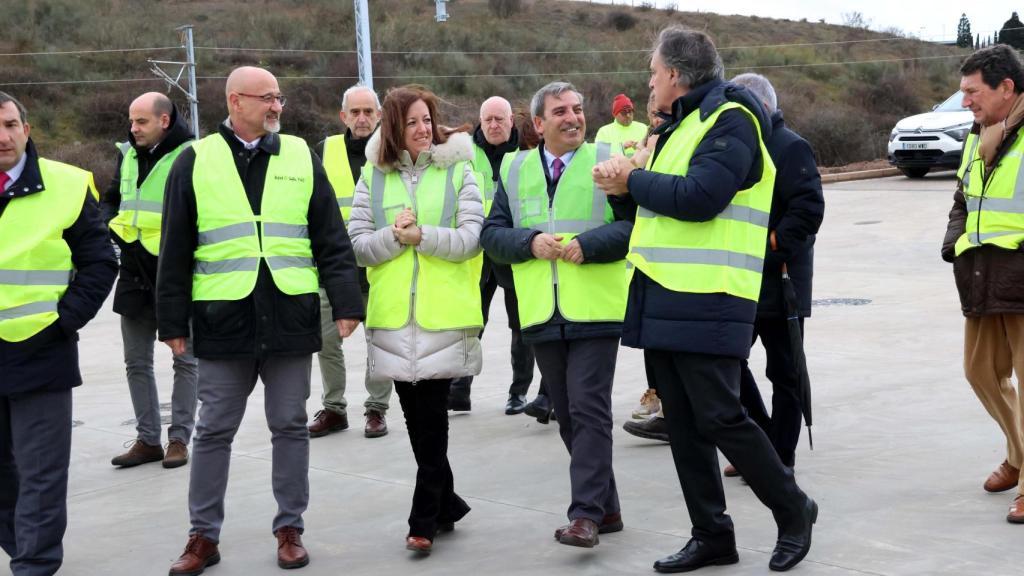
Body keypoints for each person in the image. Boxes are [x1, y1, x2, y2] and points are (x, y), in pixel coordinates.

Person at [594, 26, 817, 572]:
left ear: (675, 73)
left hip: (711, 295)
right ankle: (712, 535)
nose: (649, 82)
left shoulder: (731, 119)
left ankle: (794, 509)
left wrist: (634, 180)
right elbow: (653, 213)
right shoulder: (678, 126)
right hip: (664, 294)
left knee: (721, 417)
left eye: (653, 72)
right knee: (685, 425)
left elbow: (701, 198)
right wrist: (621, 189)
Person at [158, 66, 364, 573]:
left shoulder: (299, 154)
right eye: (266, 98)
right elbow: (175, 246)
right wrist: (172, 322)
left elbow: (330, 237)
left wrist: (346, 303)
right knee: (214, 430)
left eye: (279, 98)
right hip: (223, 318)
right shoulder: (194, 160)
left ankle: (290, 528)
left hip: (290, 315)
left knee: (290, 425)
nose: (276, 106)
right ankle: (203, 536)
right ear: (235, 101)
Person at [482, 81, 631, 549]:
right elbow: (492, 235)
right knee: (567, 415)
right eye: (561, 111)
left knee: (588, 409)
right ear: (539, 123)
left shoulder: (607, 161)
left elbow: (634, 227)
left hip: (595, 309)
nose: (573, 117)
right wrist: (528, 242)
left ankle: (584, 515)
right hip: (541, 314)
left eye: (578, 109)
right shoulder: (515, 167)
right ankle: (607, 508)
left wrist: (589, 244)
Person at [348, 85, 482, 555]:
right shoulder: (373, 175)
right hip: (392, 316)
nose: (423, 129)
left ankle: (423, 519)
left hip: (443, 314)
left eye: (427, 119)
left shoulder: (459, 168)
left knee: (432, 421)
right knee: (417, 422)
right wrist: (393, 235)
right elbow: (358, 245)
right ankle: (447, 504)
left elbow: (471, 239)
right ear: (393, 128)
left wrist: (421, 236)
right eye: (412, 123)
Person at [0, 91, 117, 576]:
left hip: (41, 351)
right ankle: (23, 546)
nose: (3, 137)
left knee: (41, 472)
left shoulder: (66, 185)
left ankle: (35, 563)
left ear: (26, 129)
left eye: (10, 125)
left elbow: (100, 262)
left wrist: (63, 322)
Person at [722, 73, 825, 476]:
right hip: (739, 280)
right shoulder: (734, 145)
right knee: (726, 364)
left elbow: (808, 210)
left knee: (785, 373)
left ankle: (780, 458)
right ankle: (761, 445)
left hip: (782, 282)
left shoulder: (791, 146)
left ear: (762, 107)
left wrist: (771, 246)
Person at [942, 44, 1024, 523]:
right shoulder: (979, 134)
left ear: (1006, 87)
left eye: (972, 91)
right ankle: (1018, 452)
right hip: (982, 274)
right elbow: (962, 197)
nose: (965, 100)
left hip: (1020, 273)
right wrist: (954, 243)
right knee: (980, 372)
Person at [103, 92, 199, 469]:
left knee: (185, 359)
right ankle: (147, 440)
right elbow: (111, 199)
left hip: (175, 271)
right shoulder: (127, 153)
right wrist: (109, 226)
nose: (133, 128)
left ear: (164, 120)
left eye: (141, 121)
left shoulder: (191, 155)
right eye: (131, 121)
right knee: (136, 361)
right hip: (132, 269)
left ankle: (179, 439)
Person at [308, 84, 393, 439]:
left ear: (379, 116)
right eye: (355, 112)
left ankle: (376, 409)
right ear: (343, 116)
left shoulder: (393, 152)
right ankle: (334, 409)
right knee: (326, 342)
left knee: (381, 343)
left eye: (368, 112)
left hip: (380, 266)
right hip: (334, 269)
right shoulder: (323, 151)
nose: (362, 118)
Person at [448, 95, 540, 415]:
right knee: (471, 320)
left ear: (511, 121)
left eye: (500, 118)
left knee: (521, 324)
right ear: (480, 121)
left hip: (511, 246)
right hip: (476, 250)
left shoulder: (526, 153)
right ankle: (459, 390)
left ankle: (518, 392)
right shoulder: (465, 153)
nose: (493, 124)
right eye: (487, 119)